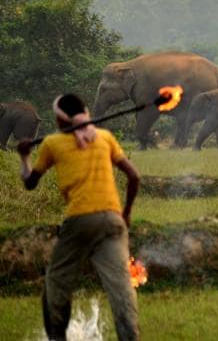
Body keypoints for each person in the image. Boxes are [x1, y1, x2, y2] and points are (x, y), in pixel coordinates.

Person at [17, 93, 141, 341]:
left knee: (57, 281)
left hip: (79, 219)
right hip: (113, 221)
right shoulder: (104, 138)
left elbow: (30, 182)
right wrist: (125, 213)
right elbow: (134, 176)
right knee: (122, 288)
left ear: (61, 121)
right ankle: (130, 337)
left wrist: (24, 156)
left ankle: (56, 336)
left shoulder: (52, 143)